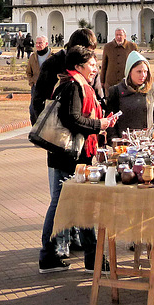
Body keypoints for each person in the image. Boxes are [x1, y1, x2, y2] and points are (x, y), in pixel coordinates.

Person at [37, 45, 112, 274]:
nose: (95, 69)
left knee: (62, 204)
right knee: (82, 204)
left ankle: (51, 256)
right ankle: (92, 258)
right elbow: (73, 119)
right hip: (71, 156)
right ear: (79, 66)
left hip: (65, 154)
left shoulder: (69, 83)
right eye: (92, 64)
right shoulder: (74, 86)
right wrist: (99, 125)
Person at [106, 51, 154, 136]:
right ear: (130, 72)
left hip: (148, 143)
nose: (143, 75)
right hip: (125, 144)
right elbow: (110, 121)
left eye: (145, 71)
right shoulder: (116, 91)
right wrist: (115, 141)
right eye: (139, 71)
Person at [99, 27, 138, 93]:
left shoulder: (132, 46)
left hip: (126, 82)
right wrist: (102, 81)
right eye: (117, 35)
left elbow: (137, 63)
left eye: (120, 35)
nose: (118, 37)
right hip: (111, 81)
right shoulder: (108, 47)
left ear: (125, 36)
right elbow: (104, 65)